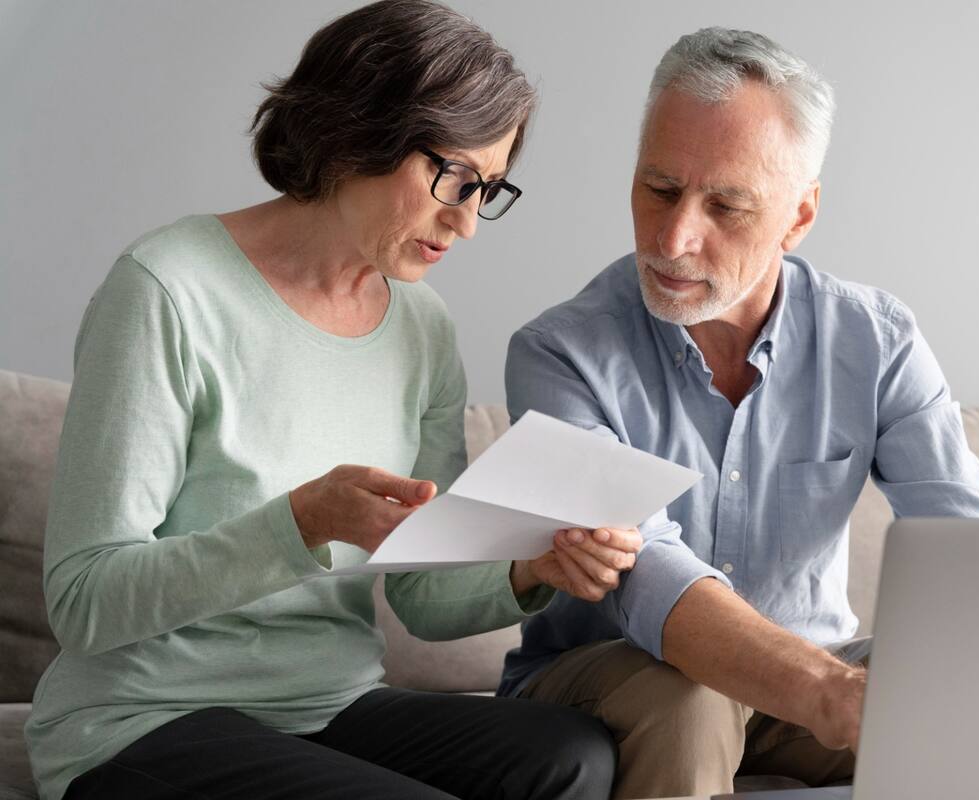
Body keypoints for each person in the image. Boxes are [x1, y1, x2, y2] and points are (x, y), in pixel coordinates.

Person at [25, 3, 640, 799]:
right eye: (453, 177)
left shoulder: (421, 328)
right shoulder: (167, 289)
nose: (466, 221)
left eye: (487, 189)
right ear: (359, 130)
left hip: (326, 705)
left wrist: (534, 567)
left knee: (573, 756)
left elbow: (423, 592)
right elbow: (85, 602)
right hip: (143, 719)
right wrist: (301, 524)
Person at [499, 26, 979, 799]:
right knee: (689, 696)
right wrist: (826, 692)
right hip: (613, 681)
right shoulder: (559, 354)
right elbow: (643, 572)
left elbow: (969, 544)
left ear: (798, 217)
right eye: (659, 189)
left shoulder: (874, 339)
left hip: (808, 676)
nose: (674, 238)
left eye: (726, 205)